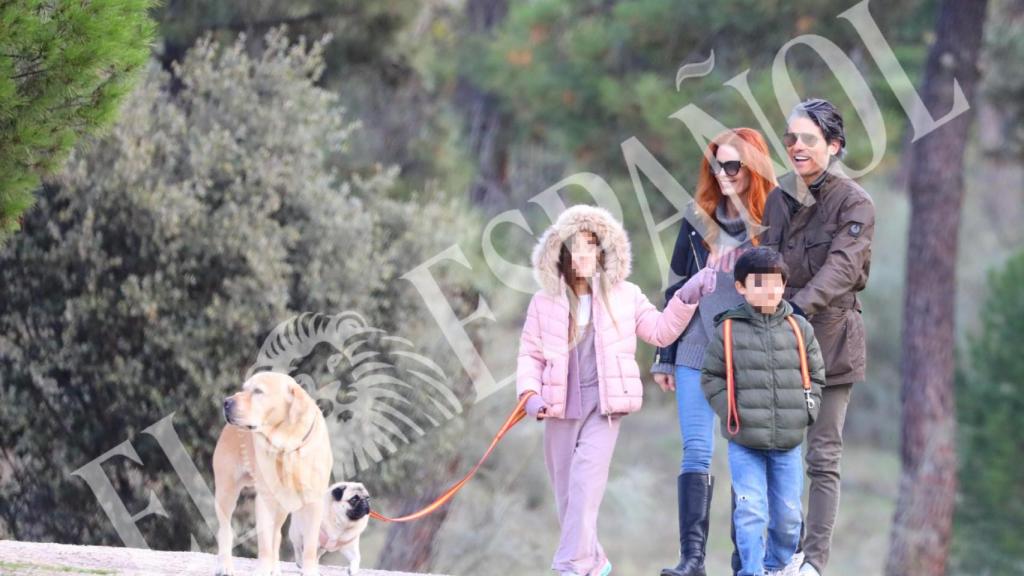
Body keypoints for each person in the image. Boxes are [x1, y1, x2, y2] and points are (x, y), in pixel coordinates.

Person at [515, 204, 709, 576]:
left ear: (605, 250)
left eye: (592, 244)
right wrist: (529, 394)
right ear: (561, 251)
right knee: (566, 495)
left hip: (604, 406)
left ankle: (569, 566)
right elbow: (530, 354)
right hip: (558, 405)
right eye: (575, 245)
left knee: (586, 487)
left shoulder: (626, 294)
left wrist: (687, 296)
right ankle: (595, 560)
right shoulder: (544, 302)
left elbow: (659, 330)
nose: (584, 253)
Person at [652, 128, 776, 576]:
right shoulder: (696, 217)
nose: (722, 174)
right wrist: (664, 354)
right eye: (715, 165)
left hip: (745, 348)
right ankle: (692, 561)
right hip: (692, 346)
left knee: (745, 452)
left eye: (732, 165)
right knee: (696, 452)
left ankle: (745, 558)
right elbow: (674, 287)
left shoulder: (772, 220)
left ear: (753, 168)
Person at [759, 98, 876, 576]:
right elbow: (764, 263)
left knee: (822, 456)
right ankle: (774, 556)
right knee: (772, 448)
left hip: (830, 341)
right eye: (790, 138)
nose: (796, 146)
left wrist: (793, 308)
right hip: (777, 340)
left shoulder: (856, 204)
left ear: (834, 145)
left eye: (808, 138)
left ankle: (813, 564)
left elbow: (843, 269)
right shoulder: (778, 198)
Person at [701, 247, 825, 576]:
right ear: (741, 287)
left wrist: (807, 411)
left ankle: (775, 566)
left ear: (784, 285)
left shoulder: (799, 329)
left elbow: (815, 375)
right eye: (758, 283)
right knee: (750, 510)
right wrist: (729, 410)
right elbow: (711, 376)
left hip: (788, 441)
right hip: (745, 441)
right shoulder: (728, 330)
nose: (768, 289)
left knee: (788, 515)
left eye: (775, 282)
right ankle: (751, 571)